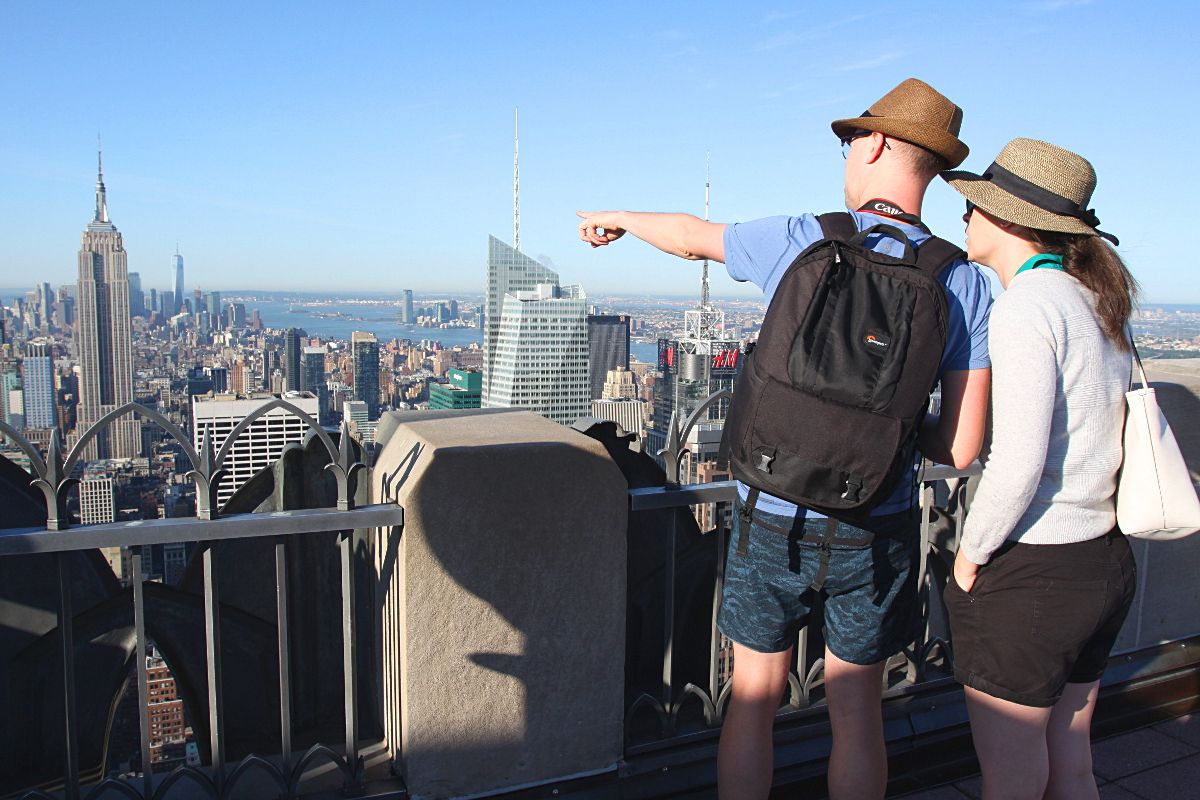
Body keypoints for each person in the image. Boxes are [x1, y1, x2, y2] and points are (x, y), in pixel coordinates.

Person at [578, 78, 993, 800]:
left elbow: (690, 239)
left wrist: (619, 216)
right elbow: (961, 448)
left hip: (771, 512)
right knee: (857, 708)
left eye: (852, 138)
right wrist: (880, 436)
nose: (848, 151)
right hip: (878, 522)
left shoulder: (809, 237)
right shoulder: (963, 283)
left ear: (883, 144)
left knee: (754, 695)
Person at [940, 138, 1137, 799]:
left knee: (1014, 778)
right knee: (1072, 763)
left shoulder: (1026, 307)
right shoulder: (1093, 299)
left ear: (1011, 220)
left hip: (1038, 573)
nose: (965, 217)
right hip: (1102, 560)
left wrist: (970, 556)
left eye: (976, 207)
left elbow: (1018, 459)